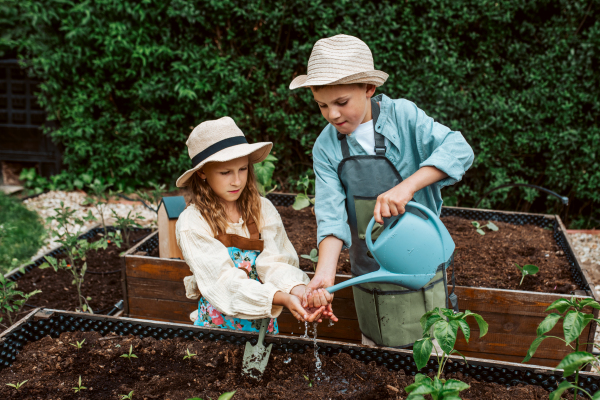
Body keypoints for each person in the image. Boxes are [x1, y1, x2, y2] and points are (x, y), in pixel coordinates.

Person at [290, 34, 474, 347]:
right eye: (322, 105)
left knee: (429, 353)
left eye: (341, 102)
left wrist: (407, 187)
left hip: (421, 264)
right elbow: (331, 216)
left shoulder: (404, 118)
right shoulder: (325, 147)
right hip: (368, 271)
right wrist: (324, 273)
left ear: (369, 89)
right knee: (376, 355)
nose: (332, 114)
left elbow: (459, 149)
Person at [175, 117, 332, 334]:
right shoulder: (193, 222)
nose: (237, 181)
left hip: (263, 327)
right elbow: (223, 283)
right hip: (216, 331)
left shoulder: (261, 209)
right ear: (202, 172)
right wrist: (281, 298)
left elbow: (276, 263)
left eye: (242, 169)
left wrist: (300, 291)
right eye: (225, 172)